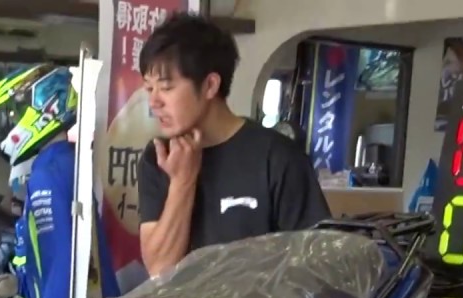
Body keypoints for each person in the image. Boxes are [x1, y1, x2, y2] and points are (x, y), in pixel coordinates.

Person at [137, 12, 331, 278]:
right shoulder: (158, 157)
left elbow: (318, 266)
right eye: (149, 89)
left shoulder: (276, 158)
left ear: (210, 85)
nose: (154, 102)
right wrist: (182, 182)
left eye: (166, 88)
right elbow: (160, 269)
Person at [0, 63, 120, 298]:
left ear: (42, 109)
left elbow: (66, 257)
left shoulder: (49, 173)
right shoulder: (62, 163)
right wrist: (20, 283)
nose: (5, 125)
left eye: (10, 114)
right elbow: (53, 255)